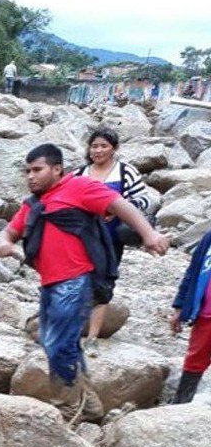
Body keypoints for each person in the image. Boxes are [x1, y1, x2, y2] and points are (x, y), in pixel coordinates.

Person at [0, 144, 168, 422]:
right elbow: (10, 231)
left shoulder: (80, 187)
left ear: (57, 169)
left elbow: (119, 204)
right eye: (27, 171)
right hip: (50, 283)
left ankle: (66, 405)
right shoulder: (33, 204)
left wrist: (148, 234)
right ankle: (87, 406)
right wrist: (3, 243)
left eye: (37, 170)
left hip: (76, 280)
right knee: (63, 344)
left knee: (57, 343)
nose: (30, 176)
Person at [72, 127, 154, 355]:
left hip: (111, 240)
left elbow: (145, 199)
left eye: (104, 146)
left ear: (114, 149)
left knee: (102, 284)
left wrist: (120, 209)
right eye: (94, 146)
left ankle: (92, 337)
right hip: (80, 239)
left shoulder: (125, 172)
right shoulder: (80, 174)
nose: (98, 151)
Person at [171, 227, 211, 404]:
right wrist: (180, 306)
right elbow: (193, 271)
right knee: (195, 360)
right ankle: (181, 404)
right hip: (205, 313)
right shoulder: (209, 238)